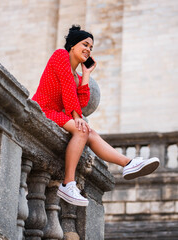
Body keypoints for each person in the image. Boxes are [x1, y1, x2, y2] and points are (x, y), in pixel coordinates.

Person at [32, 25, 160, 207]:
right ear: (73, 46)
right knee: (82, 130)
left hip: (54, 113)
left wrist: (86, 74)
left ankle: (128, 163)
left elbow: (82, 102)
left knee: (89, 133)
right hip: (43, 109)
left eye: (91, 48)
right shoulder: (60, 55)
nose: (88, 50)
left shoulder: (76, 75)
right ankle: (68, 184)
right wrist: (76, 117)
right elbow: (69, 92)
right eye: (85, 44)